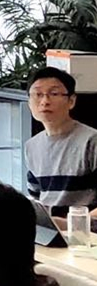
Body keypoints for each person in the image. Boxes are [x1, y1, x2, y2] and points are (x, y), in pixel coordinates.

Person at [25, 66, 97, 215]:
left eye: (54, 93)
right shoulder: (31, 146)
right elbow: (36, 198)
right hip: (48, 226)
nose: (45, 101)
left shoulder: (91, 141)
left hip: (85, 226)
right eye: (38, 94)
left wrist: (79, 223)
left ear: (71, 101)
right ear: (29, 102)